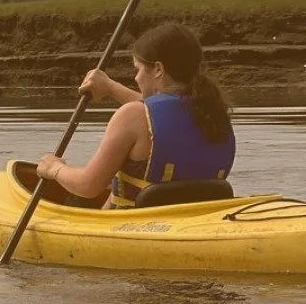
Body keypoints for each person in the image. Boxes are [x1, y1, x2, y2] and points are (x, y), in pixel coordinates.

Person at [35, 22, 235, 208]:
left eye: (137, 69)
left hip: (131, 227)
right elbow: (157, 116)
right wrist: (111, 88)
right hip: (193, 222)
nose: (136, 77)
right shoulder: (215, 114)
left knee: (77, 197)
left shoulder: (131, 116)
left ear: (158, 69)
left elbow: (88, 186)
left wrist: (54, 168)